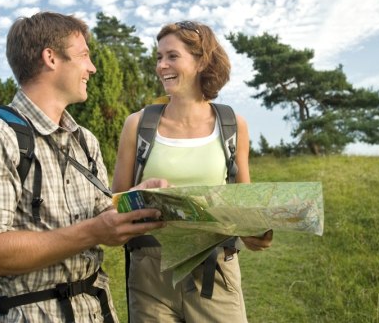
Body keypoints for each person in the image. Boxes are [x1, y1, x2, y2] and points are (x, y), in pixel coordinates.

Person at [0, 11, 167, 322]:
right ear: (51, 58)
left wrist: (135, 199)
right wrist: (93, 232)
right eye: (84, 55)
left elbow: (102, 216)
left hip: (96, 312)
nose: (91, 67)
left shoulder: (85, 140)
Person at [112, 20, 273, 323]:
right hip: (150, 272)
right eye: (158, 57)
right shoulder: (138, 124)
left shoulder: (232, 125)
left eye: (172, 56)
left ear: (201, 61)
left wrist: (256, 232)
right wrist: (140, 198)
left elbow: (244, 202)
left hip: (216, 270)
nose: (162, 66)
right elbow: (114, 202)